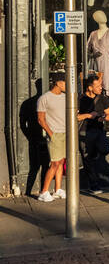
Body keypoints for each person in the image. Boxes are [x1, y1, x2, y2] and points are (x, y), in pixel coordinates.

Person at [77, 70, 109, 194]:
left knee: (104, 149)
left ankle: (94, 161)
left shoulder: (102, 98)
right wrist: (88, 115)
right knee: (87, 159)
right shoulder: (80, 99)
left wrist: (103, 118)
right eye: (98, 86)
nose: (100, 88)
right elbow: (75, 117)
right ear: (90, 87)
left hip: (98, 130)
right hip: (84, 132)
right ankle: (93, 184)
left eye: (101, 85)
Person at [36, 71, 67, 203]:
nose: (67, 85)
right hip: (54, 134)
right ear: (58, 83)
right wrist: (51, 134)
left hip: (65, 133)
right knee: (54, 163)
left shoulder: (66, 97)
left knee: (61, 162)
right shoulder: (44, 98)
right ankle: (43, 192)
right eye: (65, 82)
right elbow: (40, 119)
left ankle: (58, 189)